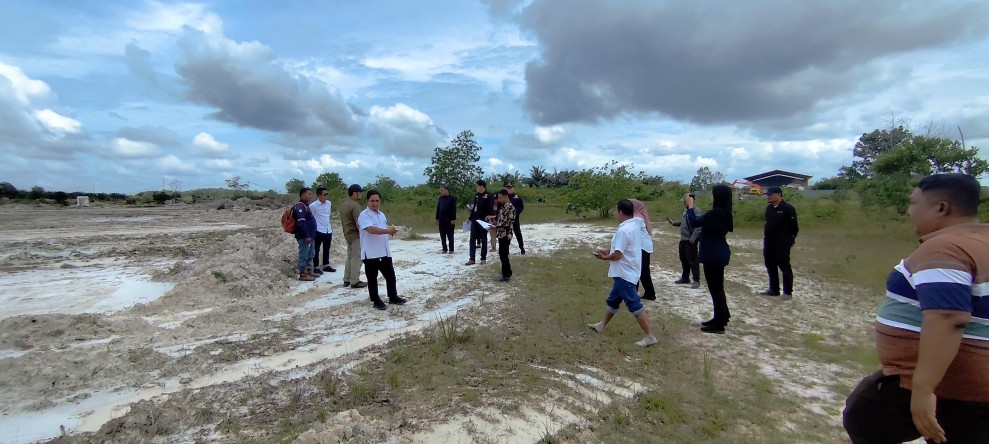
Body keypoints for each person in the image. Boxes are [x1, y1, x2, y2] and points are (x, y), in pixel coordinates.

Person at [843, 173, 989, 444]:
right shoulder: (981, 241)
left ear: (941, 208)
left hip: (946, 383)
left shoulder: (945, 248)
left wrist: (923, 389)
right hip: (973, 386)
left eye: (913, 203)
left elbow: (947, 317)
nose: (909, 211)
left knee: (865, 417)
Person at [587, 199, 658, 347]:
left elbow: (618, 255)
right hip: (629, 269)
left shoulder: (624, 230)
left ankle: (650, 336)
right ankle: (601, 325)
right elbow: (625, 247)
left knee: (633, 303)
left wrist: (605, 257)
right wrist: (608, 250)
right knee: (613, 299)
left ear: (620, 211)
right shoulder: (635, 225)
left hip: (624, 272)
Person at [685, 185, 733, 334]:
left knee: (715, 289)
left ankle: (719, 324)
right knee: (717, 289)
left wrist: (691, 206)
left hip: (714, 255)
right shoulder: (724, 212)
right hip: (718, 253)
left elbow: (693, 222)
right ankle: (721, 317)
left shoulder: (716, 213)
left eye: (713, 195)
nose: (711, 197)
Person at [358, 190, 408, 310]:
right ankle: (376, 300)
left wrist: (390, 232)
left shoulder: (381, 214)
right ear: (367, 201)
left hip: (384, 251)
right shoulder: (364, 215)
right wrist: (387, 231)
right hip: (370, 253)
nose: (375, 203)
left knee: (390, 275)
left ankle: (393, 296)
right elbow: (370, 229)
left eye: (377, 201)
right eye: (372, 201)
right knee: (372, 278)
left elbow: (381, 228)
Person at [761, 186, 799, 300]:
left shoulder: (788, 208)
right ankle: (774, 289)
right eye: (767, 195)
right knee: (770, 264)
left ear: (778, 195)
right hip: (769, 241)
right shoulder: (769, 208)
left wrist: (790, 240)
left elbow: (794, 227)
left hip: (782, 242)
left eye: (770, 194)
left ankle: (787, 292)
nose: (767, 197)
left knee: (783, 265)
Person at [667, 193, 702, 289]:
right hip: (683, 240)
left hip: (690, 240)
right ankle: (685, 278)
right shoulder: (686, 211)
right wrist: (674, 223)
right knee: (684, 260)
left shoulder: (696, 211)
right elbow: (684, 223)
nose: (683, 202)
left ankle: (696, 280)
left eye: (685, 201)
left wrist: (693, 237)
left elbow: (699, 225)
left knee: (693, 260)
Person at [340, 184, 367, 288]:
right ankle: (355, 281)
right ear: (355, 193)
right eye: (360, 192)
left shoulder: (344, 204)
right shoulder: (355, 205)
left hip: (347, 234)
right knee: (357, 257)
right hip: (355, 234)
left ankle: (347, 279)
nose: (361, 194)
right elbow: (358, 222)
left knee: (350, 257)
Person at [486, 189, 515, 282]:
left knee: (504, 254)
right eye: (498, 197)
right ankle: (507, 271)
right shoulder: (503, 207)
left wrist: (496, 226)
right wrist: (493, 218)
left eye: (500, 197)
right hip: (501, 234)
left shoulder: (510, 207)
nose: (499, 199)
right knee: (502, 254)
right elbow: (500, 217)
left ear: (506, 197)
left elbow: (507, 222)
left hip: (506, 234)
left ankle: (506, 275)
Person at [629, 199, 656, 300]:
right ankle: (650, 293)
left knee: (638, 270)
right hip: (645, 246)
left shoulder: (637, 218)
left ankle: (636, 294)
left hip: (642, 247)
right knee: (643, 271)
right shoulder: (640, 215)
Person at [292, 187, 318, 282]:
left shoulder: (306, 205)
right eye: (309, 194)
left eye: (311, 194)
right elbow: (301, 223)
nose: (311, 196)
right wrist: (306, 235)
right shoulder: (300, 207)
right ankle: (303, 273)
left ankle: (309, 271)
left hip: (310, 235)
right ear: (302, 195)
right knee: (304, 254)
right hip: (304, 236)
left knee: (311, 253)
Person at [466, 180, 494, 265]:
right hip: (475, 220)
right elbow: (474, 207)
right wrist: (470, 218)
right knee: (472, 239)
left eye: (477, 186)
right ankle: (472, 258)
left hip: (483, 221)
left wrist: (490, 218)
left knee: (484, 239)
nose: (476, 188)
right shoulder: (477, 195)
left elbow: (491, 208)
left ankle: (483, 258)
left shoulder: (489, 195)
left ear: (482, 186)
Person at [309, 187, 336, 273]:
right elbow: (311, 217)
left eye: (327, 194)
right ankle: (316, 266)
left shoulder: (329, 203)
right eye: (324, 194)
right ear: (319, 195)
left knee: (326, 248)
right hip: (319, 229)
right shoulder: (313, 206)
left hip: (328, 229)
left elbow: (328, 215)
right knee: (316, 249)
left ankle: (326, 265)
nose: (326, 196)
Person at [435, 185, 457, 254]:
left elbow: (454, 209)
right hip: (441, 219)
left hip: (449, 219)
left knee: (450, 235)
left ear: (446, 190)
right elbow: (438, 208)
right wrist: (437, 218)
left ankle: (451, 249)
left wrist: (453, 219)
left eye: (442, 190)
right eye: (440, 190)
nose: (441, 192)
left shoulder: (452, 198)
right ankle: (444, 248)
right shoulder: (440, 198)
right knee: (442, 235)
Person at [506, 183, 526, 255]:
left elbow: (521, 207)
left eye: (510, 188)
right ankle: (506, 249)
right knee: (507, 235)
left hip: (515, 219)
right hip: (506, 220)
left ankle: (522, 248)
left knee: (518, 234)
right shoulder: (505, 197)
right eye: (508, 188)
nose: (509, 189)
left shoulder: (517, 197)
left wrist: (515, 213)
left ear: (513, 188)